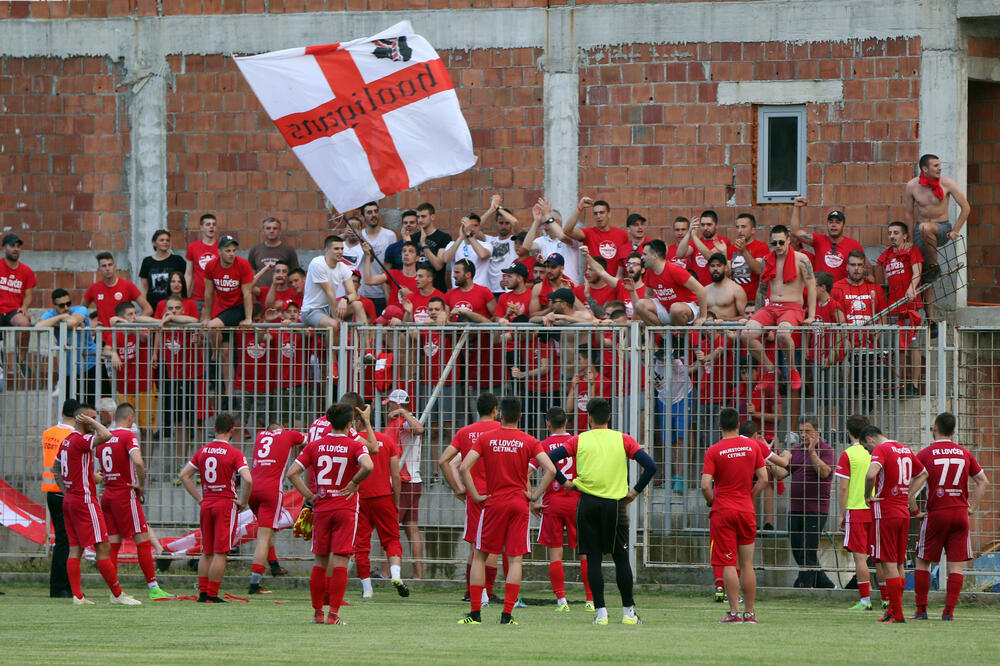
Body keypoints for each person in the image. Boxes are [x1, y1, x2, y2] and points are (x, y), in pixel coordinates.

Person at [548, 397, 656, 626]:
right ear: (609, 417)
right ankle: (628, 612)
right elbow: (651, 466)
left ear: (589, 418)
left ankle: (601, 613)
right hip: (616, 506)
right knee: (621, 559)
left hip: (587, 503)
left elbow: (550, 459)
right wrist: (635, 491)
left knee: (593, 559)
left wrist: (565, 481)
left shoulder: (579, 440)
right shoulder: (623, 439)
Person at [457, 396, 556, 625]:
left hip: (494, 503)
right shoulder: (529, 440)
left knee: (480, 555)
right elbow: (550, 469)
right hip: (519, 504)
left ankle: (475, 613)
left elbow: (464, 467)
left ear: (500, 414)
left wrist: (476, 495)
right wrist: (534, 494)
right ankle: (507, 614)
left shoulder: (486, 438)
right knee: (515, 560)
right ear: (520, 417)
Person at [286, 403, 374, 625]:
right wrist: (354, 482)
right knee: (341, 562)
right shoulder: (355, 445)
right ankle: (333, 615)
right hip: (345, 507)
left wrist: (309, 495)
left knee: (319, 561)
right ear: (349, 424)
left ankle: (317, 613)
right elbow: (369, 465)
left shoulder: (315, 445)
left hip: (322, 506)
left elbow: (292, 473)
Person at [51, 403, 142, 606]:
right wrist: (92, 422)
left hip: (70, 501)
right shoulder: (81, 439)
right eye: (92, 418)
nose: (96, 421)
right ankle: (118, 595)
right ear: (83, 419)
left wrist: (68, 490)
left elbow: (55, 468)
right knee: (103, 546)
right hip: (84, 501)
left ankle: (78, 596)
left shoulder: (66, 442)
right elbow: (106, 436)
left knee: (75, 549)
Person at [909, 411, 990, 620]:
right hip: (960, 514)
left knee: (923, 561)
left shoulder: (926, 454)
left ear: (934, 428)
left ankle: (921, 609)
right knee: (956, 565)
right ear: (953, 432)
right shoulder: (964, 453)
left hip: (937, 513)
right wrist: (972, 506)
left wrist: (914, 509)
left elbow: (913, 482)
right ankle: (949, 612)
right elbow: (983, 481)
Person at [97, 403, 171, 599]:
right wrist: (141, 484)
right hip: (124, 493)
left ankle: (115, 591)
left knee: (113, 542)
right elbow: (138, 461)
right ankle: (154, 588)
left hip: (108, 494)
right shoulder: (128, 436)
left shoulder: (104, 438)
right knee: (142, 540)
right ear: (131, 417)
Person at [701, 406, 768, 623]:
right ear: (739, 424)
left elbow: (704, 485)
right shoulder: (753, 446)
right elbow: (764, 479)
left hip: (724, 510)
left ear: (719, 426)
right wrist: (750, 496)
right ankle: (750, 612)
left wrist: (712, 501)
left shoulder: (714, 450)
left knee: (729, 563)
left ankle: (734, 613)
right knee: (747, 563)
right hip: (745, 509)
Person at [178, 412, 253, 603]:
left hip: (208, 502)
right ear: (232, 430)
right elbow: (247, 479)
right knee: (221, 551)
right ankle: (212, 594)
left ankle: (203, 592)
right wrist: (243, 501)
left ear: (214, 429)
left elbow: (184, 475)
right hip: (225, 503)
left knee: (207, 550)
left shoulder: (203, 451)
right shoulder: (235, 453)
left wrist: (199, 498)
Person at [439, 392, 501, 604]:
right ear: (495, 410)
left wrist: (457, 488)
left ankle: (471, 591)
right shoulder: (501, 431)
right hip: (498, 494)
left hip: (474, 496)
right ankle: (488, 592)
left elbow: (444, 461)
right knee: (492, 547)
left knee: (476, 545)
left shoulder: (466, 432)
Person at [863, 424, 926, 623]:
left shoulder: (882, 449)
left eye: (867, 448)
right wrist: (908, 494)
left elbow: (871, 474)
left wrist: (868, 496)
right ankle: (892, 609)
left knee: (888, 563)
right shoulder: (904, 448)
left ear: (870, 439)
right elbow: (923, 473)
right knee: (898, 563)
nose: (869, 451)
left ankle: (897, 614)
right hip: (902, 511)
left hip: (886, 510)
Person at [533, 407, 594, 611]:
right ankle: (590, 600)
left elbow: (526, 472)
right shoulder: (579, 441)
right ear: (567, 422)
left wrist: (532, 500)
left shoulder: (542, 445)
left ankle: (562, 601)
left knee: (555, 555)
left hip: (553, 502)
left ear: (547, 423)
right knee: (585, 553)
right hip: (578, 502)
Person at [742, 225, 816, 388]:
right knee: (746, 334)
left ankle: (792, 370)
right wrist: (756, 315)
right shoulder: (768, 259)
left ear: (789, 240)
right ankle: (769, 369)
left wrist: (811, 315)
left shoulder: (801, 259)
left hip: (792, 307)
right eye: (774, 243)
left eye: (781, 242)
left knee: (783, 334)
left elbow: (811, 287)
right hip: (771, 307)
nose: (778, 246)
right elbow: (762, 289)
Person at [354, 417, 410, 599]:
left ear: (356, 422)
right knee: (392, 539)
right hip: (383, 496)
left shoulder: (353, 440)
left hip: (360, 497)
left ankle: (367, 588)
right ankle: (395, 575)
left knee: (361, 545)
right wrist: (396, 499)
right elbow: (396, 475)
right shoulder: (387, 441)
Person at [247, 423, 305, 594]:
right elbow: (310, 439)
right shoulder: (288, 435)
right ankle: (254, 584)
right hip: (271, 490)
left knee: (266, 529)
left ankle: (274, 565)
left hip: (253, 489)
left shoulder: (260, 436)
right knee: (264, 536)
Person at [904, 153, 971, 288]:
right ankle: (929, 276)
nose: (940, 168)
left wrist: (955, 230)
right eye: (936, 166)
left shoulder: (947, 183)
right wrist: (910, 239)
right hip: (920, 230)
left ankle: (934, 266)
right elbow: (909, 213)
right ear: (925, 169)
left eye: (940, 165)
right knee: (924, 274)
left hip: (942, 228)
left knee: (925, 227)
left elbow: (966, 207)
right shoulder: (912, 185)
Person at [787, 416, 835, 588]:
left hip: (816, 509)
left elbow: (824, 472)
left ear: (817, 431)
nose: (803, 435)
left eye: (807, 431)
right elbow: (781, 473)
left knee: (808, 550)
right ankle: (825, 584)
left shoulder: (826, 450)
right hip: (795, 508)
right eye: (801, 431)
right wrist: (767, 456)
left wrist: (812, 452)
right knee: (797, 549)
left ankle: (803, 586)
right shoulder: (797, 450)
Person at [877, 221, 923, 395]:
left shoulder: (912, 250)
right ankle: (900, 384)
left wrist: (911, 288)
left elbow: (917, 272)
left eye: (896, 233)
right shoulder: (886, 255)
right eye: (890, 233)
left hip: (912, 306)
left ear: (905, 235)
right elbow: (884, 283)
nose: (892, 236)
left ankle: (915, 384)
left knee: (914, 346)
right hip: (894, 307)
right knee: (899, 348)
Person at [383, 389, 426, 579]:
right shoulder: (401, 422)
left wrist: (403, 413)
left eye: (390, 404)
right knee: (411, 528)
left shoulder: (406, 421)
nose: (388, 408)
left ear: (397, 404)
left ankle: (386, 573)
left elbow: (419, 429)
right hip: (411, 481)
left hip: (406, 481)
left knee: (392, 529)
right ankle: (418, 575)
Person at [834, 414, 875, 610]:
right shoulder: (876, 452)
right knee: (882, 557)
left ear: (848, 431)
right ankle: (886, 599)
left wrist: (841, 514)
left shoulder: (849, 454)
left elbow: (843, 488)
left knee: (860, 558)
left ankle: (866, 601)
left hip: (857, 510)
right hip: (877, 509)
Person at [42, 398, 79, 598]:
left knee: (62, 540)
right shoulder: (72, 436)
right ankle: (59, 587)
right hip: (65, 490)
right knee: (66, 541)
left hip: (50, 490)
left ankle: (63, 585)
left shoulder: (48, 433)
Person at [37, 290, 99, 404]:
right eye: (61, 305)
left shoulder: (80, 309)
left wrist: (58, 319)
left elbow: (72, 323)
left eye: (68, 303)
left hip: (90, 364)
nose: (66, 307)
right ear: (54, 306)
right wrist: (62, 317)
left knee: (93, 406)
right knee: (70, 408)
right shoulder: (51, 314)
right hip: (68, 371)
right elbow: (38, 327)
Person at [789, 197, 866, 282]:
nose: (834, 225)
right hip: (821, 290)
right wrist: (796, 207)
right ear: (827, 225)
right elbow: (795, 231)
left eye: (837, 222)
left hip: (842, 292)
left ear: (843, 225)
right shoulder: (819, 240)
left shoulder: (853, 244)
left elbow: (866, 266)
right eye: (831, 222)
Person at [634, 239, 707, 326]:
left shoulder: (674, 269)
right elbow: (648, 295)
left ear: (654, 256)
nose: (641, 257)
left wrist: (702, 317)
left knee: (675, 308)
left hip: (687, 308)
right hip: (667, 309)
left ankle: (679, 338)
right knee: (640, 304)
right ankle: (664, 336)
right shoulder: (650, 271)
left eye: (645, 254)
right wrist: (646, 316)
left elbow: (700, 290)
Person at [301, 234, 366, 330]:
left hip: (330, 306)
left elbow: (353, 294)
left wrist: (345, 299)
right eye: (336, 249)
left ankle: (366, 345)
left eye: (342, 249)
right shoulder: (317, 263)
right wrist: (336, 317)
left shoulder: (343, 267)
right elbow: (329, 292)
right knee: (334, 324)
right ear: (327, 251)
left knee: (358, 305)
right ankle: (331, 346)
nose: (340, 252)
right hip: (312, 309)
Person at [83, 252, 152, 327]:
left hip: (124, 335)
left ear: (114, 267)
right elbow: (81, 310)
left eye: (110, 265)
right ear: (99, 270)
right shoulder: (94, 288)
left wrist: (134, 323)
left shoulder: (128, 285)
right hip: (103, 336)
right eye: (104, 266)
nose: (107, 268)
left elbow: (148, 309)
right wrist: (90, 322)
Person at [523, 198, 582, 284]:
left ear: (557, 221)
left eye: (546, 223)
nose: (544, 227)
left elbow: (562, 237)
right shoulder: (542, 240)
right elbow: (526, 246)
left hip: (569, 286)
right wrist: (536, 222)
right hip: (550, 287)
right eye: (542, 224)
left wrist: (548, 215)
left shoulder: (570, 236)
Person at [202, 235, 254, 327]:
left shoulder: (243, 264)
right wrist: (207, 317)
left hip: (237, 307)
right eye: (228, 251)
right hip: (220, 307)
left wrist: (248, 318)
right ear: (219, 251)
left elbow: (247, 293)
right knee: (212, 333)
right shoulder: (211, 265)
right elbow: (208, 293)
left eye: (234, 250)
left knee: (213, 325)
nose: (232, 254)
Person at [677, 210, 736, 285]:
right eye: (702, 225)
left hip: (715, 288)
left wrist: (694, 236)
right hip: (698, 289)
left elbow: (711, 257)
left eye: (709, 225)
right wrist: (689, 232)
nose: (705, 228)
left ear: (717, 225)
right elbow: (680, 254)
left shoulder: (722, 241)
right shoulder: (696, 242)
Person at [359, 201, 397, 314]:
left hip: (383, 292)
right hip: (362, 291)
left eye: (376, 211)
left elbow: (392, 264)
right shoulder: (358, 236)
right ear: (363, 216)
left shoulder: (390, 235)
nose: (373, 215)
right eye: (369, 212)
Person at [441, 212, 494, 289]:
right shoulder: (452, 244)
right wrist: (460, 238)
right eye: (469, 225)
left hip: (479, 291)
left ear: (479, 227)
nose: (472, 229)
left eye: (475, 225)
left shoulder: (486, 245)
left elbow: (482, 255)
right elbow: (446, 259)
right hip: (458, 291)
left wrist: (469, 234)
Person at [139, 229, 186, 311]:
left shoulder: (177, 260)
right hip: (152, 305)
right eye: (162, 240)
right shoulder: (147, 261)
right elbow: (144, 286)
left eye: (167, 240)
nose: (165, 242)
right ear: (154, 243)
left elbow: (185, 281)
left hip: (172, 305)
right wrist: (144, 305)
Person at [482, 194, 520, 294]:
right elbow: (474, 229)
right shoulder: (489, 240)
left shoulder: (514, 240)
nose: (504, 226)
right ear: (496, 223)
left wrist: (498, 207)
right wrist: (491, 209)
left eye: (507, 223)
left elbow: (515, 223)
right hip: (491, 290)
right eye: (501, 223)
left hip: (509, 290)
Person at [247, 216, 299, 288]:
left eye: (275, 228)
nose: (271, 231)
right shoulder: (255, 250)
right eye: (268, 228)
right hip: (260, 294)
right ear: (263, 231)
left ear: (279, 231)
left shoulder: (289, 250)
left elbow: (295, 274)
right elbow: (250, 275)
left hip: (282, 294)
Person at [413, 202, 453, 293]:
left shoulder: (444, 238)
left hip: (437, 289)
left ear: (432, 217)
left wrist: (423, 244)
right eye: (418, 217)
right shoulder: (414, 238)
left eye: (423, 216)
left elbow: (438, 265)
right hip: (418, 290)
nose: (420, 220)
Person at [730, 213, 769, 303]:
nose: (739, 230)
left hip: (754, 300)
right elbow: (728, 274)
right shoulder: (731, 248)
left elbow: (759, 270)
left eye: (743, 227)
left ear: (753, 230)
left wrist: (744, 251)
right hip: (735, 300)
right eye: (737, 227)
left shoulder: (761, 247)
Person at [185, 212, 219, 306]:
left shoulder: (222, 246)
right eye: (208, 224)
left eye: (214, 224)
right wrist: (185, 296)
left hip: (218, 298)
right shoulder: (193, 247)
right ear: (201, 228)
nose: (211, 227)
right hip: (198, 297)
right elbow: (188, 274)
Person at [704, 252, 748, 320]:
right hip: (708, 330)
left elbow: (745, 317)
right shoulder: (705, 290)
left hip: (728, 329)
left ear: (726, 268)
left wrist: (722, 319)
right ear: (709, 268)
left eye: (719, 265)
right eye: (712, 266)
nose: (715, 269)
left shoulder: (736, 289)